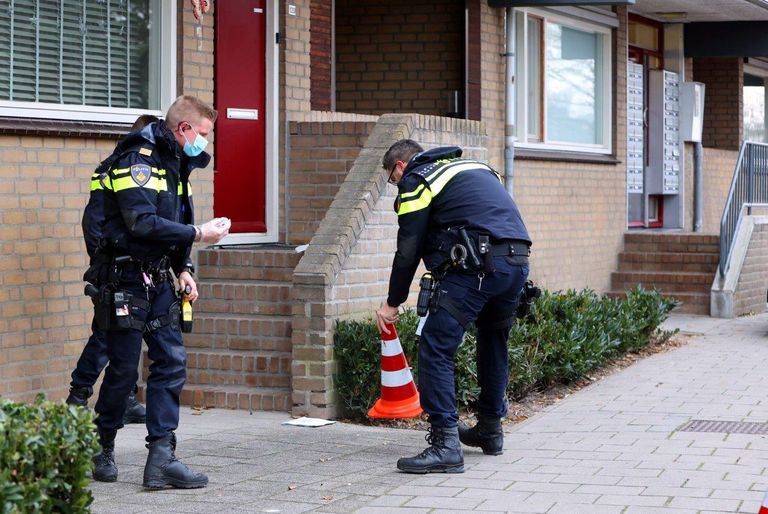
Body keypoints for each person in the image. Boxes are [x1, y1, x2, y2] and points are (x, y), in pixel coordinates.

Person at [90, 95, 230, 489]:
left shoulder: (176, 162)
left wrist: (183, 267)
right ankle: (101, 446)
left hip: (157, 280)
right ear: (183, 128)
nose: (206, 142)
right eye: (203, 133)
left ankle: (162, 460)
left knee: (171, 361)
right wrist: (200, 234)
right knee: (122, 370)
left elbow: (176, 216)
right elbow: (142, 223)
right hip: (124, 280)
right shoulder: (139, 160)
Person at [375, 139, 531, 474]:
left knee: (435, 343)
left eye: (392, 179)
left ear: (400, 166)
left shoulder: (418, 179)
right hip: (517, 263)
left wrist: (392, 302)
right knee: (493, 343)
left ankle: (445, 444)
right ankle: (490, 430)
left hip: (475, 267)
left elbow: (408, 248)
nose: (396, 186)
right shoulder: (476, 167)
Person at [66, 114, 162, 424]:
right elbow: (94, 220)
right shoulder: (118, 167)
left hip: (136, 268)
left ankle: (126, 397)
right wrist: (104, 265)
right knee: (107, 334)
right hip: (117, 269)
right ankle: (78, 397)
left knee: (127, 334)